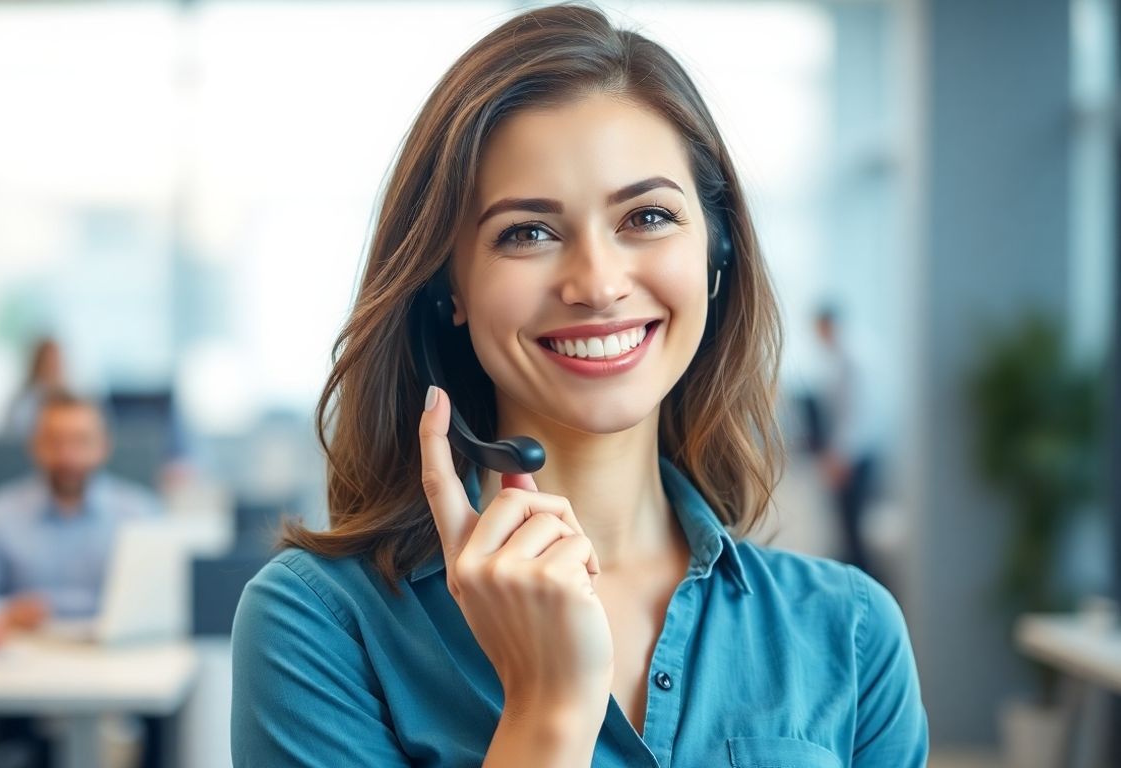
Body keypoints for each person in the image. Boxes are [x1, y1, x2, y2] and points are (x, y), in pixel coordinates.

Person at [229, 5, 928, 767]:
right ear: (448, 284)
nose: (597, 284)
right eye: (527, 232)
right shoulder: (321, 625)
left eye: (647, 216)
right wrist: (547, 710)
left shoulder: (851, 633)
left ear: (716, 249)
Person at [0, 390, 160, 625]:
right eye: (54, 442)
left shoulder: (141, 514)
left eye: (81, 441)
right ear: (34, 446)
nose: (68, 456)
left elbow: (159, 601)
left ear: (104, 446)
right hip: (25, 641)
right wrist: (5, 611)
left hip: (112, 642)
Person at [813, 305, 886, 583]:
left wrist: (839, 458)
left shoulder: (852, 361)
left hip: (854, 458)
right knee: (846, 533)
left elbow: (854, 416)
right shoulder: (839, 361)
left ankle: (862, 588)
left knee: (853, 534)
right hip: (848, 455)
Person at [2, 336, 67, 439]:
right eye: (48, 361)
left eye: (56, 360)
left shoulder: (70, 401)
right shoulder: (24, 401)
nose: (52, 365)